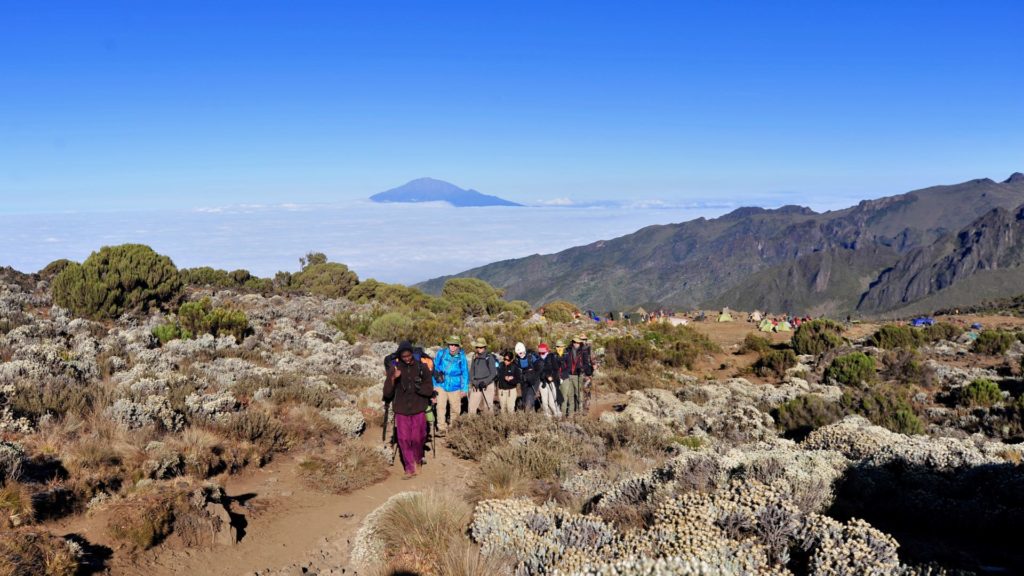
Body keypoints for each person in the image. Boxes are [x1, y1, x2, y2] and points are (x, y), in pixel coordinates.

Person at [382, 342, 435, 478]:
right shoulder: (394, 369)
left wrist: (419, 388)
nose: (406, 358)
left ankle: (417, 460)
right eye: (403, 356)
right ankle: (409, 467)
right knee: (404, 439)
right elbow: (387, 393)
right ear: (399, 356)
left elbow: (429, 389)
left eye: (408, 355)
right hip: (401, 410)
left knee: (418, 438)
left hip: (419, 408)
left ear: (412, 354)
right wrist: (393, 378)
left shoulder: (422, 367)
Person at [432, 335, 468, 436]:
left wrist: (464, 389)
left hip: (455, 386)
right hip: (441, 384)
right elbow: (434, 370)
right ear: (448, 345)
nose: (453, 347)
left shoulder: (462, 357)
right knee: (440, 407)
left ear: (459, 346)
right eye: (451, 345)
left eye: (455, 345)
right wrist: (434, 385)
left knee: (455, 409)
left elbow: (465, 373)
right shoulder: (441, 353)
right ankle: (441, 428)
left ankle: (453, 428)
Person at [561, 334, 594, 416]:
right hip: (569, 375)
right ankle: (571, 414)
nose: (576, 343)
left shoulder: (584, 351)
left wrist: (583, 368)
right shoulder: (568, 350)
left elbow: (587, 364)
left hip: (579, 375)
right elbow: (564, 362)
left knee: (580, 394)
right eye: (575, 342)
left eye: (578, 342)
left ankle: (580, 412)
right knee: (571, 395)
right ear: (572, 342)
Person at [468, 338, 498, 415]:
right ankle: (470, 425)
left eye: (481, 347)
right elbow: (471, 372)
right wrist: (474, 382)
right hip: (476, 386)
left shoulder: (489, 357)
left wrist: (485, 382)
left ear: (485, 347)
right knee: (471, 408)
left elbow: (493, 373)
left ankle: (489, 425)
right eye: (477, 347)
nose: (479, 349)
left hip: (487, 386)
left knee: (488, 408)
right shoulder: (474, 357)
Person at [536, 343, 561, 418]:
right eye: (539, 352)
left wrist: (552, 377)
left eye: (542, 352)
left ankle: (557, 415)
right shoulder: (538, 361)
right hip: (542, 383)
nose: (541, 354)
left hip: (551, 382)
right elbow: (537, 372)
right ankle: (547, 417)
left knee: (552, 401)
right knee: (544, 401)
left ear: (547, 351)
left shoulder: (552, 358)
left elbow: (556, 370)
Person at [514, 342, 541, 411]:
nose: (520, 354)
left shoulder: (531, 357)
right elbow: (517, 372)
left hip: (534, 380)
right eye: (518, 353)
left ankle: (529, 412)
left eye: (521, 352)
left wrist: (533, 376)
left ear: (524, 350)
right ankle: (529, 410)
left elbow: (538, 368)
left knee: (529, 396)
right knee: (524, 397)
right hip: (524, 381)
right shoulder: (517, 360)